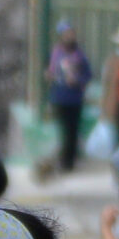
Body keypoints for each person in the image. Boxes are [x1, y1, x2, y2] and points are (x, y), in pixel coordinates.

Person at [44, 22, 91, 173]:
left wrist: (78, 80)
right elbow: (48, 71)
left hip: (75, 97)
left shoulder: (80, 55)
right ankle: (63, 159)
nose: (69, 37)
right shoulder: (55, 53)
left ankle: (69, 160)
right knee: (63, 129)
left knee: (73, 129)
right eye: (66, 34)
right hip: (60, 96)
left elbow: (88, 75)